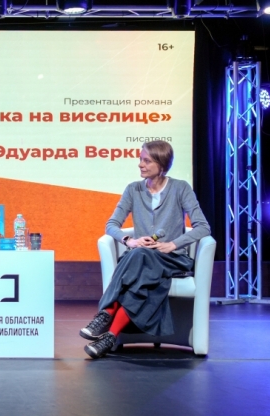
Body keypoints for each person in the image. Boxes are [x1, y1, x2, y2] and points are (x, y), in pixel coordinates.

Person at [79, 140, 210, 359]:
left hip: (171, 258)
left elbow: (203, 227)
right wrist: (129, 240)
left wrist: (173, 244)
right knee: (139, 263)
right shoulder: (134, 189)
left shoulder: (180, 188)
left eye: (147, 161)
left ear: (162, 165)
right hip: (142, 258)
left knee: (137, 259)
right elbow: (111, 225)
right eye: (140, 159)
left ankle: (106, 314)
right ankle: (110, 336)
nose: (140, 164)